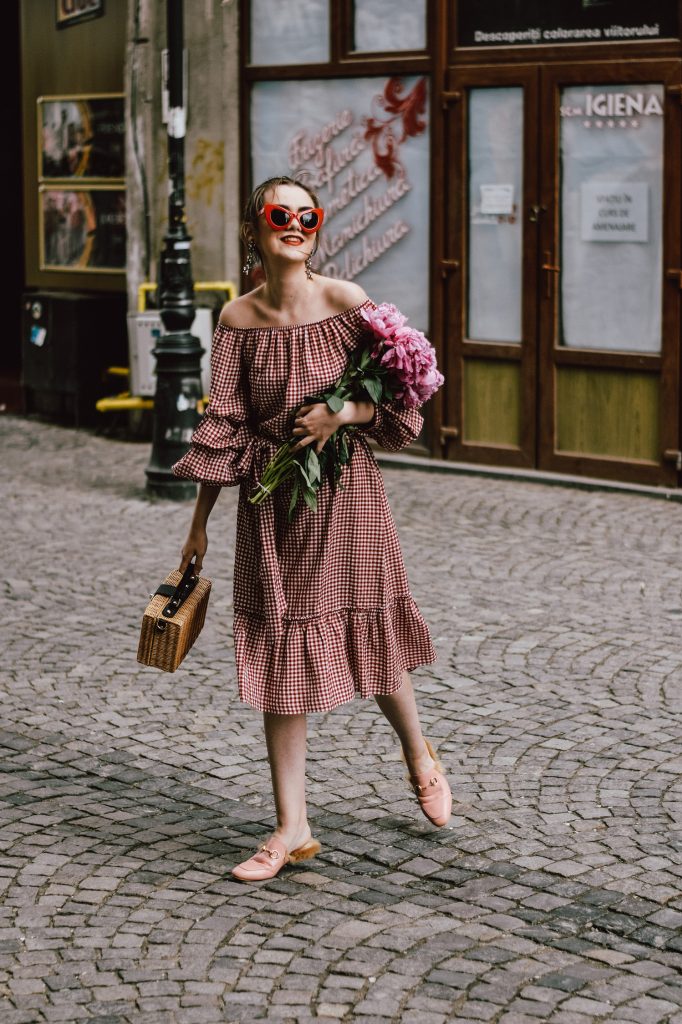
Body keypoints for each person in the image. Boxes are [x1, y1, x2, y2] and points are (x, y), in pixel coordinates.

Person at [173, 175, 452, 883]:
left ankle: (418, 753)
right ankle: (291, 826)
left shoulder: (347, 304)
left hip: (347, 494)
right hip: (270, 504)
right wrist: (199, 523)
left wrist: (342, 415)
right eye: (279, 215)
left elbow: (400, 402)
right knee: (279, 651)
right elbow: (225, 423)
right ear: (253, 230)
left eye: (307, 216)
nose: (294, 225)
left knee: (367, 630)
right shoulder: (236, 320)